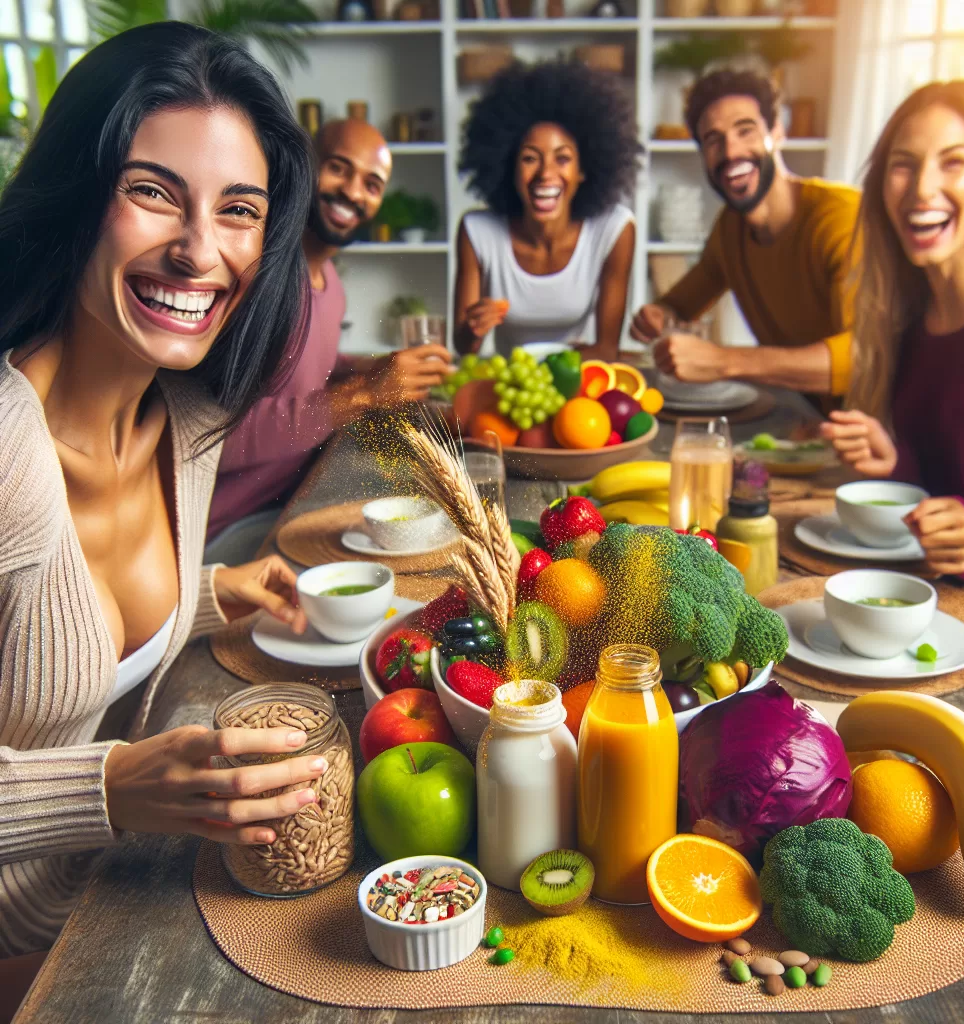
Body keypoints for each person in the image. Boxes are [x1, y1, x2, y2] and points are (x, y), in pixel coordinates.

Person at [0, 23, 332, 1006]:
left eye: (238, 210)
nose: (198, 251)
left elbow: (60, 635)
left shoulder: (184, 418)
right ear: (76, 191)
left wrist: (205, 593)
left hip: (116, 896)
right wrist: (110, 787)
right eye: (151, 192)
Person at [820, 80, 964, 623]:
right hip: (939, 585)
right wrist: (895, 460)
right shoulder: (912, 316)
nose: (922, 190)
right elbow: (955, 484)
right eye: (903, 165)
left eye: (952, 163)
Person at [205, 118, 452, 562]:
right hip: (225, 533)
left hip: (292, 502)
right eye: (339, 168)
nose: (355, 192)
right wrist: (365, 394)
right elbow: (212, 439)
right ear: (305, 166)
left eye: (372, 184)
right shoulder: (258, 276)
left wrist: (370, 367)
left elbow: (302, 362)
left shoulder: (329, 282)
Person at [630, 67, 860, 408]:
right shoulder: (731, 228)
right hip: (807, 418)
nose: (731, 151)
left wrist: (724, 362)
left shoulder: (842, 217)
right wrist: (657, 315)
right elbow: (678, 306)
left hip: (879, 430)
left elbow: (864, 356)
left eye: (745, 131)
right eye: (713, 139)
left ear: (777, 132)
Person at [454, 60, 641, 361]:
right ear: (509, 168)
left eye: (562, 159)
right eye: (530, 158)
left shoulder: (614, 229)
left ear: (584, 170)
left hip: (574, 378)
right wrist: (474, 329)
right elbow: (464, 347)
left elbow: (607, 350)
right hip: (509, 385)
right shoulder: (478, 231)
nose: (545, 174)